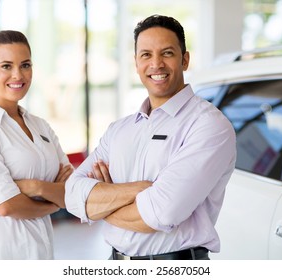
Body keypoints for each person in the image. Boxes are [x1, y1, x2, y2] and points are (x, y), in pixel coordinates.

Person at [64, 14, 236, 260]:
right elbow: (72, 194)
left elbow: (160, 213)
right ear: (136, 63)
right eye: (146, 55)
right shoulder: (119, 130)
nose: (156, 64)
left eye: (167, 53)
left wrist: (101, 202)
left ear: (185, 60)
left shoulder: (208, 125)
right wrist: (140, 189)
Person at [0, 30, 73, 260]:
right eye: (6, 66)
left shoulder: (41, 126)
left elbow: (71, 190)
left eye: (25, 65)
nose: (18, 74)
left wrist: (35, 187)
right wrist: (52, 204)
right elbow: (6, 206)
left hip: (42, 254)